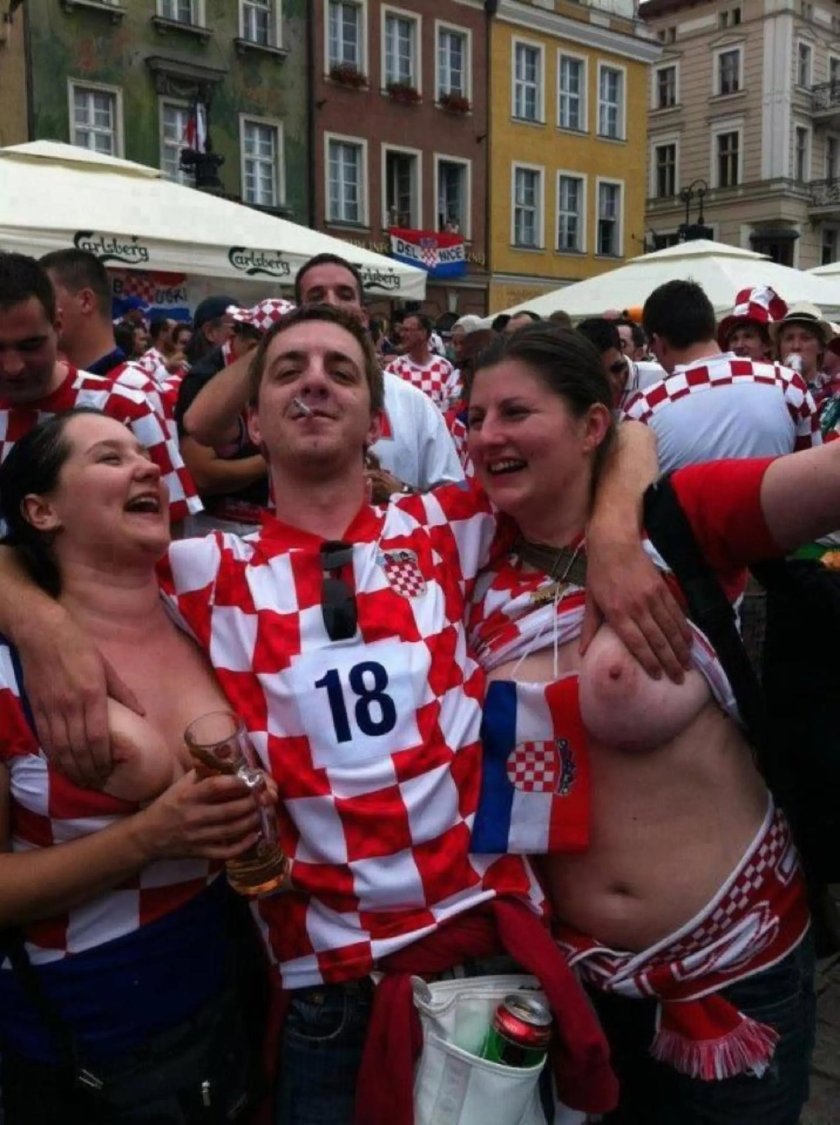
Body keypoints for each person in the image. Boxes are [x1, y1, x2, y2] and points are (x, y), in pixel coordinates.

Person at [0, 304, 692, 1125]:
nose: (315, 382)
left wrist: (613, 534)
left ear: (379, 421)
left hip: (486, 951)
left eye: (341, 370)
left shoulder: (448, 523)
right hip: (327, 989)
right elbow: (51, 549)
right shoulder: (199, 567)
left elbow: (624, 436)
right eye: (287, 370)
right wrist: (36, 620)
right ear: (255, 424)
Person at [465, 323, 835, 1123]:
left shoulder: (681, 520)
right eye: (473, 417)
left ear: (591, 425)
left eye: (516, 412)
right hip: (574, 988)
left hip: (736, 974)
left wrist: (616, 526)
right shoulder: (465, 558)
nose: (487, 434)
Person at [0, 407, 268, 1123]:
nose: (148, 465)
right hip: (90, 1038)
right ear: (42, 510)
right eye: (109, 458)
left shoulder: (206, 607)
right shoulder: (8, 670)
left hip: (235, 987)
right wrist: (149, 837)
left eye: (142, 453)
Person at [184, 255, 464, 494]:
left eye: (345, 295)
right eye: (316, 297)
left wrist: (400, 495)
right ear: (298, 313)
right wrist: (280, 339)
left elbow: (452, 499)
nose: (331, 304)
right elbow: (200, 424)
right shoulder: (282, 392)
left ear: (363, 315)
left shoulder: (413, 403)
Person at [0, 252, 200, 527]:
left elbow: (170, 524)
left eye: (30, 345)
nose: (13, 367)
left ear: (58, 325)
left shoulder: (126, 407)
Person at [625, 279, 821, 472]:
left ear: (658, 342)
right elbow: (814, 474)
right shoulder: (788, 384)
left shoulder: (643, 411)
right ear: (710, 327)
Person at [385, 311, 460, 411]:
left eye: (407, 330)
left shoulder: (445, 367)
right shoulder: (394, 368)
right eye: (402, 330)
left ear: (423, 333)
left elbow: (451, 406)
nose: (402, 335)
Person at [716, 286, 787, 361]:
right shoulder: (717, 368)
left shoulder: (781, 369)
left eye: (748, 336)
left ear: (767, 345)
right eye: (734, 339)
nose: (739, 345)